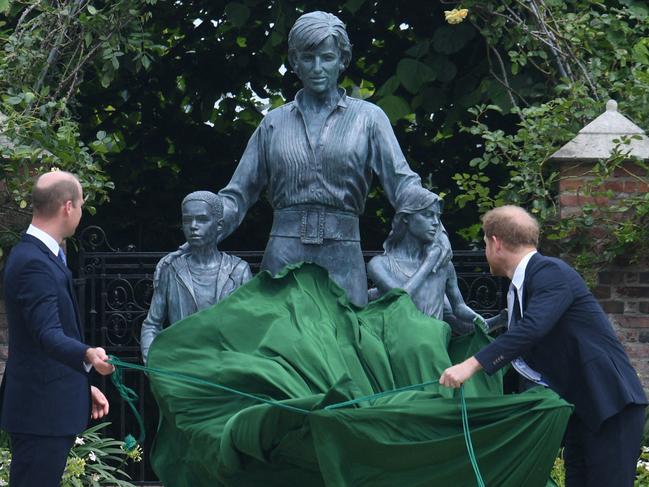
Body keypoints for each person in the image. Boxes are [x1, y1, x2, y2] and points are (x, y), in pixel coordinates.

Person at [216, 11, 448, 306]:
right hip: (284, 254)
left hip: (343, 254)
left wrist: (435, 225)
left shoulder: (369, 119)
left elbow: (402, 184)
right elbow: (236, 195)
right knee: (278, 342)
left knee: (346, 342)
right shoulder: (273, 123)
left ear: (342, 60)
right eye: (308, 57)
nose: (317, 68)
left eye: (326, 57)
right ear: (295, 62)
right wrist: (209, 224)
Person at [439, 205, 647, 487]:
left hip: (610, 405)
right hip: (581, 409)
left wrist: (470, 365)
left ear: (495, 242)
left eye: (485, 241)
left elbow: (532, 328)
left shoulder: (551, 272)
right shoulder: (524, 286)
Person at [1, 170, 115, 486]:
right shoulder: (33, 262)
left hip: (45, 405)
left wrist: (81, 386)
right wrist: (90, 355)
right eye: (80, 205)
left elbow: (42, 342)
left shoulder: (44, 255)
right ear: (68, 207)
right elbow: (47, 333)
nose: (79, 212)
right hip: (40, 412)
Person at [367, 187, 504, 334]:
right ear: (406, 217)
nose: (435, 223)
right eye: (427, 215)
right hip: (397, 345)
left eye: (437, 217)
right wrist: (428, 263)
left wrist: (480, 318)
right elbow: (400, 300)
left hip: (435, 346)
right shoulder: (379, 264)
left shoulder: (444, 266)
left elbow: (458, 309)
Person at [140, 191, 252, 362]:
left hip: (225, 371)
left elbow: (249, 327)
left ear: (219, 225)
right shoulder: (171, 270)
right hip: (181, 369)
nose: (193, 226)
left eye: (202, 219)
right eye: (187, 220)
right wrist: (153, 365)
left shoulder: (239, 271)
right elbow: (152, 325)